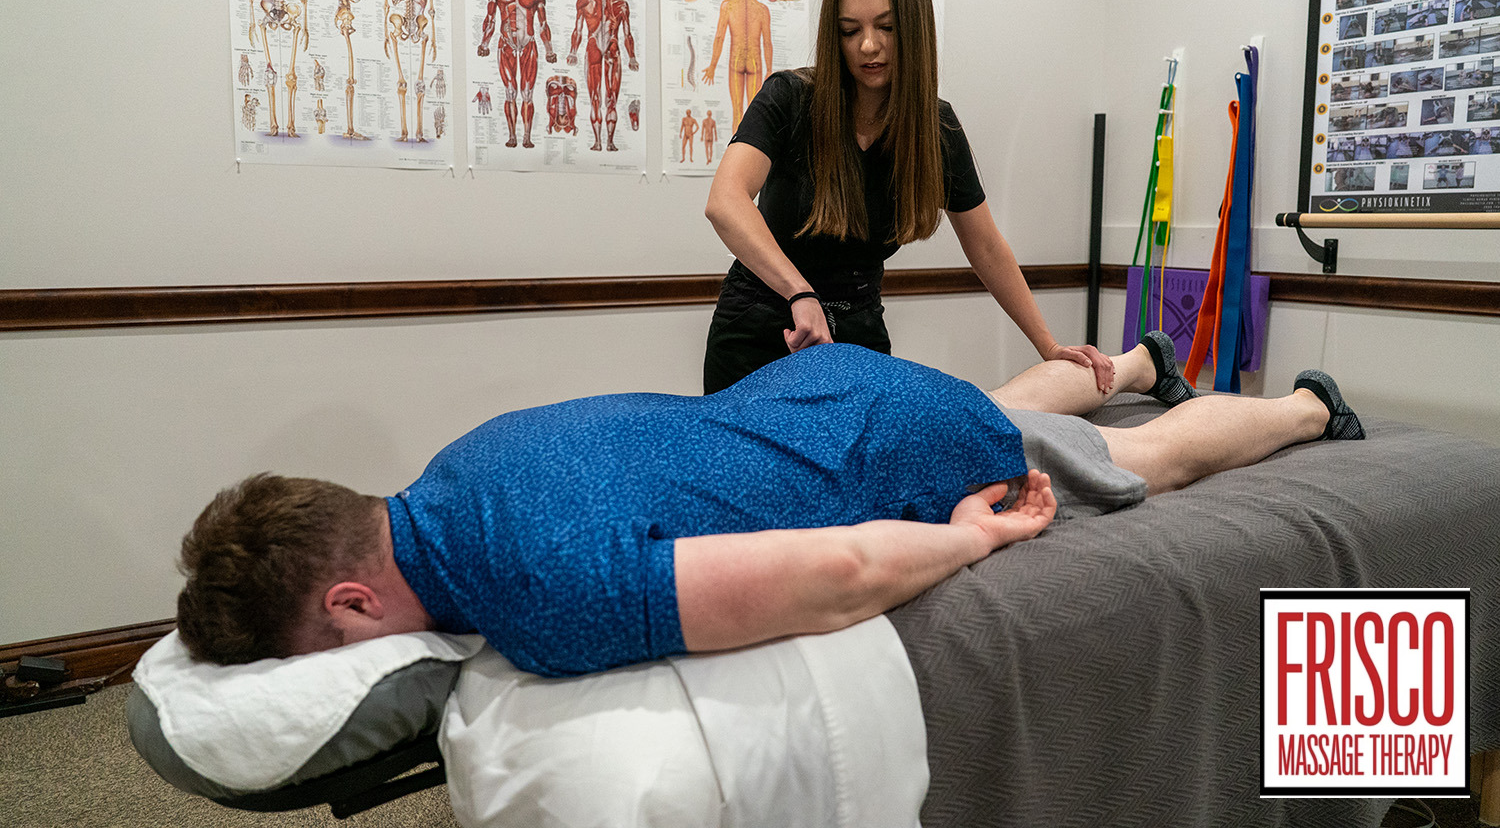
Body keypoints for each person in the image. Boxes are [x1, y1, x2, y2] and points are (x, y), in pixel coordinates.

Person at [175, 333, 1363, 679]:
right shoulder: (456, 465)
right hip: (816, 386)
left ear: (348, 595)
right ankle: (1143, 357)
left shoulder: (540, 599)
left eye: (322, 652)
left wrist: (967, 536)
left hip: (880, 436)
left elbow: (837, 573)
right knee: (993, 406)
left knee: (1124, 466)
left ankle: (1307, 407)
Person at [702, 0, 1111, 395]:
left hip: (857, 332)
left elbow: (987, 248)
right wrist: (799, 291)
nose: (868, 45)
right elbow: (725, 201)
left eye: (887, 27)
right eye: (849, 30)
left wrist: (1049, 346)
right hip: (761, 327)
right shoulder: (789, 99)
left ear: (913, 28)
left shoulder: (936, 129)